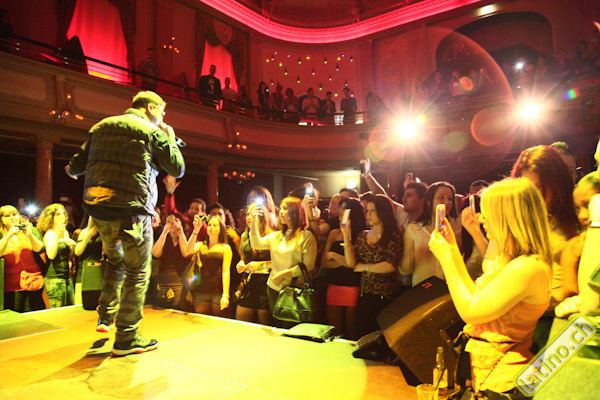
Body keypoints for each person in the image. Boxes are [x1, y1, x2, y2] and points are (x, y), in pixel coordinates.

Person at [66, 90, 185, 356]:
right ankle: (126, 338)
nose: (163, 117)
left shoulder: (101, 126)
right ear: (151, 108)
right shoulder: (152, 132)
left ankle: (106, 315)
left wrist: (74, 171)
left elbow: (76, 165)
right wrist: (170, 138)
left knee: (116, 259)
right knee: (137, 271)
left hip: (98, 209)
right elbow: (177, 168)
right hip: (132, 210)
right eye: (162, 111)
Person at [428, 178, 552, 399]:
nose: (481, 218)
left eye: (488, 213)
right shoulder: (510, 260)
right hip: (489, 376)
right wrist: (452, 249)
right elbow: (476, 297)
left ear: (508, 217)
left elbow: (470, 312)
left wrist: (446, 259)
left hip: (505, 383)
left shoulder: (527, 268)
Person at [249, 197, 317, 327]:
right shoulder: (277, 235)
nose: (280, 212)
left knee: (292, 326)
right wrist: (253, 221)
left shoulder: (306, 236)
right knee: (278, 325)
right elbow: (256, 244)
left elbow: (309, 264)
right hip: (274, 287)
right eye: (280, 208)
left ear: (296, 212)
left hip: (294, 289)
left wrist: (285, 274)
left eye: (285, 208)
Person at [342, 194, 403, 338]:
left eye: (372, 210)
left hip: (386, 295)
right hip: (365, 293)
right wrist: (346, 236)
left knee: (383, 337)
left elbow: (390, 265)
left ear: (382, 212)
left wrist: (365, 267)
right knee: (363, 335)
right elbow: (351, 263)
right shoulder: (363, 235)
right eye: (367, 210)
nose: (368, 214)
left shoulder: (393, 235)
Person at [401, 181, 461, 286]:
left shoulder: (457, 228)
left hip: (451, 287)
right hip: (423, 287)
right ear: (429, 201)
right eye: (441, 197)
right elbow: (405, 270)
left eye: (450, 199)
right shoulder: (414, 229)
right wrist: (413, 255)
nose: (446, 202)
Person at [322, 198, 366, 339]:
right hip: (334, 284)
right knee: (334, 330)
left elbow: (354, 264)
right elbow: (324, 262)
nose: (340, 211)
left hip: (353, 285)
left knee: (352, 329)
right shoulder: (334, 233)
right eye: (340, 208)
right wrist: (345, 262)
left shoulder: (362, 235)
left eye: (344, 208)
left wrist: (334, 255)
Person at [0, 205, 45, 312]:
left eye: (14, 214)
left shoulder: (30, 230)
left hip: (33, 282)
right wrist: (9, 235)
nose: (12, 218)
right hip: (11, 287)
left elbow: (40, 249)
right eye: (7, 216)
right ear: (1, 220)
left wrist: (30, 235)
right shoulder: (2, 235)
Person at [186, 215, 232, 317]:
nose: (211, 227)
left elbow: (226, 271)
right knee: (201, 318)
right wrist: (196, 230)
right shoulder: (201, 245)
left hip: (218, 291)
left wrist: (225, 295)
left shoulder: (225, 248)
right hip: (201, 291)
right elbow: (188, 250)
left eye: (215, 225)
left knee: (217, 320)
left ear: (220, 229)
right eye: (209, 225)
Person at [235, 204, 272, 325]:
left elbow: (279, 262)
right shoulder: (245, 235)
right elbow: (243, 258)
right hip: (248, 282)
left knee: (264, 325)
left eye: (253, 214)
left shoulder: (271, 236)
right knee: (240, 324)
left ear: (262, 217)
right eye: (247, 214)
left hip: (265, 282)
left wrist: (260, 265)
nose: (249, 217)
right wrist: (240, 264)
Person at [36, 203, 77, 308]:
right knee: (58, 312)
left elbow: (69, 255)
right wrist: (58, 236)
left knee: (70, 310)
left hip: (66, 277)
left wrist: (71, 245)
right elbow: (51, 254)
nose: (62, 216)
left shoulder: (65, 232)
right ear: (51, 218)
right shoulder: (50, 233)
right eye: (58, 214)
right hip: (54, 279)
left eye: (63, 213)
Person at [151, 213, 191, 311]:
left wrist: (180, 233)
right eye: (170, 220)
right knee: (161, 308)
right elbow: (155, 253)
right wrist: (165, 231)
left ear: (182, 224)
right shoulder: (164, 238)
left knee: (178, 307)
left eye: (176, 220)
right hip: (163, 278)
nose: (173, 223)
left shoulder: (186, 238)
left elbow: (186, 253)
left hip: (180, 279)